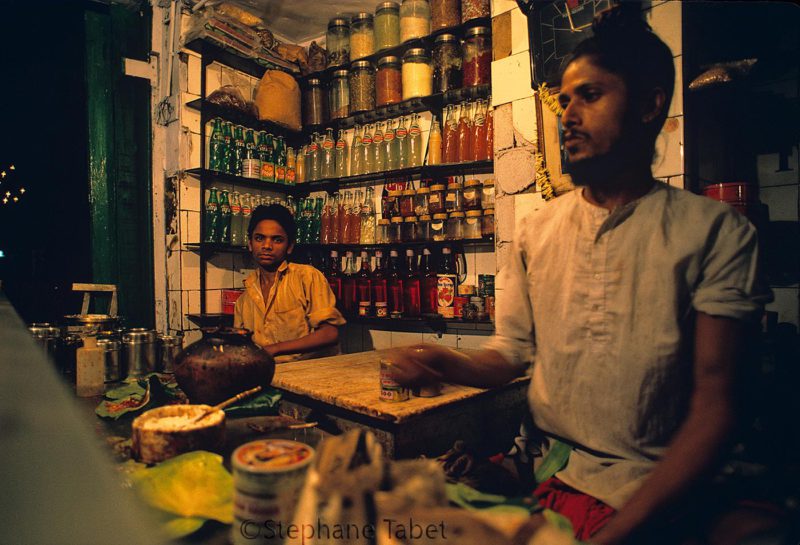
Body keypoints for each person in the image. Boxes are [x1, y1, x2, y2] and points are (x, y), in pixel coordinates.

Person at [388, 8, 779, 545]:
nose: (567, 114)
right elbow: (510, 355)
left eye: (590, 96)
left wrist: (619, 531)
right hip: (561, 470)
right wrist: (448, 363)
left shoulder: (714, 232)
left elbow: (717, 407)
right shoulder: (538, 230)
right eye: (564, 99)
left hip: (668, 481)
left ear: (648, 105)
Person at [234, 204, 345, 363]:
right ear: (250, 243)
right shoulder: (245, 298)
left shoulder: (307, 277)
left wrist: (275, 349)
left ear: (289, 247)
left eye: (277, 240)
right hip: (269, 375)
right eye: (259, 238)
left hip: (312, 374)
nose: (267, 246)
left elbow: (329, 333)